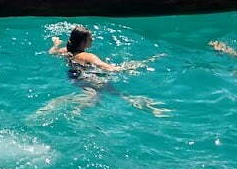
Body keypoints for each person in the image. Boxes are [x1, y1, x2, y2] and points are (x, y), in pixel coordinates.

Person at [38, 26, 166, 117]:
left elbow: (51, 52)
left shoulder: (66, 51)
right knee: (116, 94)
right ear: (84, 42)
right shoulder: (88, 56)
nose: (92, 40)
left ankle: (73, 107)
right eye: (90, 38)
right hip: (89, 78)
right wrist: (138, 65)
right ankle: (150, 108)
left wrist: (56, 43)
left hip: (73, 77)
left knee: (97, 95)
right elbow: (109, 68)